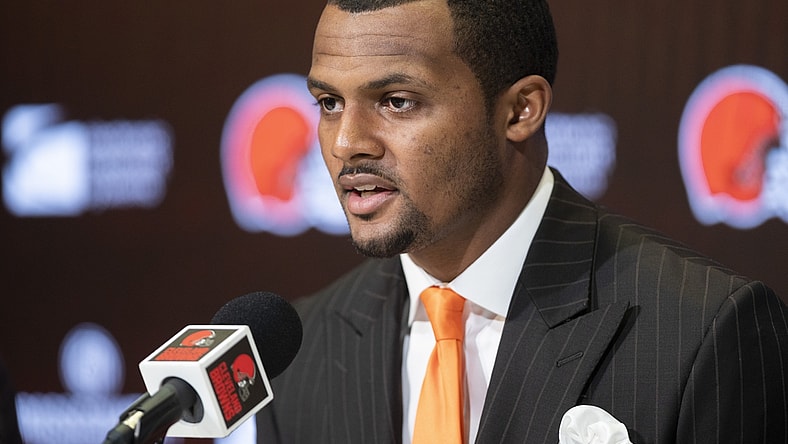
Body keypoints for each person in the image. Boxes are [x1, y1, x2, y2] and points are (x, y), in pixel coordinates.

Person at [256, 0, 788, 442]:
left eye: (396, 102)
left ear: (520, 110)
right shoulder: (301, 351)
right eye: (329, 102)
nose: (347, 142)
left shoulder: (703, 330)